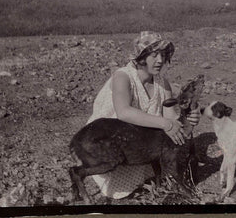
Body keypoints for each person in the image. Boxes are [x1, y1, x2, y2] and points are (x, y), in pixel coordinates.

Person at [86, 31, 201, 199]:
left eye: (162, 55)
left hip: (138, 142)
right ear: (141, 56)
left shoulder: (162, 83)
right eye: (154, 56)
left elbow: (170, 118)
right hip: (108, 142)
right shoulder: (123, 77)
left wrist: (189, 119)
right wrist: (165, 124)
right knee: (120, 188)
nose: (160, 60)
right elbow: (124, 112)